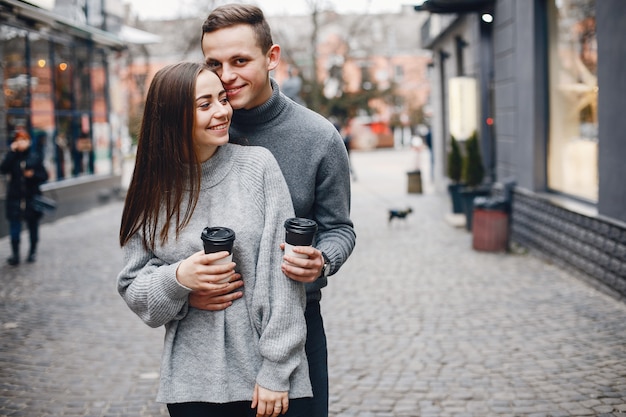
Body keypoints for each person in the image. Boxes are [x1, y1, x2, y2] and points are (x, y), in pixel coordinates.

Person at [117, 62, 312, 417]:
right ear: (174, 117)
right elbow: (134, 289)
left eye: (222, 99)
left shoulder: (258, 167)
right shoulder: (151, 189)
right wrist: (179, 280)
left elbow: (283, 276)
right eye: (205, 104)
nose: (223, 111)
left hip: (266, 385)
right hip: (192, 385)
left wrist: (275, 370)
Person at [199, 5, 357, 416]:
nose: (226, 75)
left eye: (239, 61)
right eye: (214, 63)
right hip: (211, 329)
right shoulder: (197, 132)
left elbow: (339, 228)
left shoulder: (319, 137)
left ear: (271, 58)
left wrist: (323, 259)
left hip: (297, 324)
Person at [1, 130, 49, 265]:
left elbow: (44, 176)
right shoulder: (12, 158)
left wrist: (33, 175)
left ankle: (32, 252)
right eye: (18, 140)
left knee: (33, 227)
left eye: (24, 140)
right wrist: (12, 152)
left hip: (31, 198)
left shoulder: (35, 156)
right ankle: (15, 255)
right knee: (14, 228)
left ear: (29, 142)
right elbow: (3, 169)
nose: (21, 143)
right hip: (15, 199)